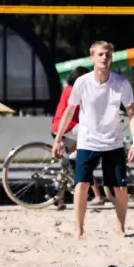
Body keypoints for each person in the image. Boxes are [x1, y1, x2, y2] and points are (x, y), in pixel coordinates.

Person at [52, 41, 134, 238]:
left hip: (113, 142)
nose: (104, 58)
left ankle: (121, 228)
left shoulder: (121, 84)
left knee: (119, 188)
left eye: (107, 54)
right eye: (100, 54)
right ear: (92, 57)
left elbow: (132, 114)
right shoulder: (82, 82)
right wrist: (58, 139)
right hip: (87, 141)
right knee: (81, 185)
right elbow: (69, 111)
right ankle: (79, 229)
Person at [52, 66, 104, 204]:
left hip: (64, 128)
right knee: (85, 153)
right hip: (67, 127)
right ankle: (97, 196)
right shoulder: (74, 91)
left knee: (71, 165)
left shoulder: (67, 89)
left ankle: (58, 196)